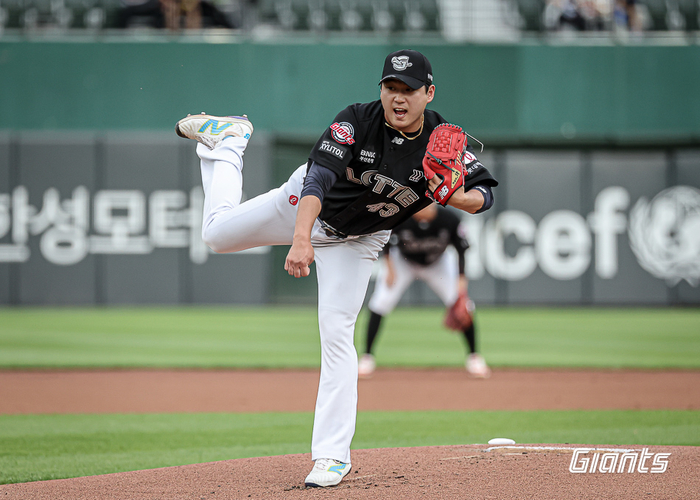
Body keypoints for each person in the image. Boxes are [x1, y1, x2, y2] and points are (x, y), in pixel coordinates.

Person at [174, 49, 498, 488]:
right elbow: (318, 179)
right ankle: (230, 142)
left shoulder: (441, 139)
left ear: (429, 93)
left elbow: (484, 195)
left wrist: (455, 195)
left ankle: (331, 457)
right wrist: (301, 237)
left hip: (362, 239)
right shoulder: (356, 121)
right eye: (390, 87)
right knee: (216, 236)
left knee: (337, 331)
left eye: (408, 90)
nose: (398, 98)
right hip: (306, 208)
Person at [358, 203, 491, 379]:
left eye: (430, 205)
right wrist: (389, 268)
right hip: (403, 262)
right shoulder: (401, 217)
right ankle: (367, 357)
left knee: (463, 305)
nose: (427, 209)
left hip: (437, 264)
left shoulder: (449, 219)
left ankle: (474, 357)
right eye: (423, 206)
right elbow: (386, 243)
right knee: (380, 302)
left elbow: (461, 249)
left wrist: (461, 281)